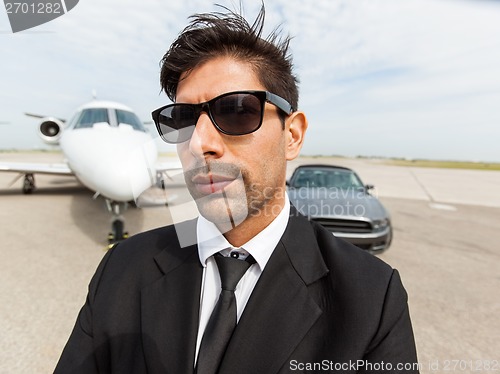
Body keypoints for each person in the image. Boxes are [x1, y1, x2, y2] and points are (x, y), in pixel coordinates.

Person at [55, 5, 419, 374]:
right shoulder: (122, 268)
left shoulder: (372, 297)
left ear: (291, 136)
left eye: (237, 111)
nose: (199, 143)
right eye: (181, 120)